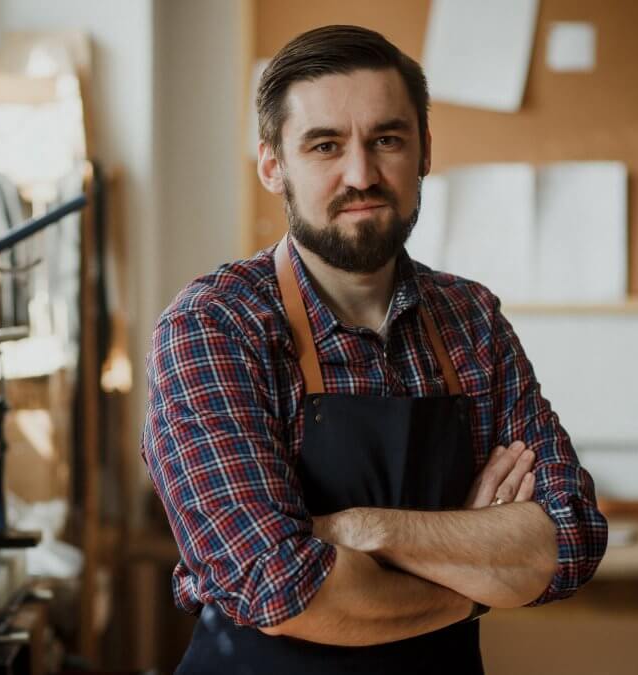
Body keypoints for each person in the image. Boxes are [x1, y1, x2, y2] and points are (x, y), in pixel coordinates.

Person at [141, 24, 608, 674]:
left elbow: (569, 536)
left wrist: (368, 528)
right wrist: (477, 574)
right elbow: (277, 583)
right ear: (273, 164)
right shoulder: (216, 326)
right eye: (325, 145)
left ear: (423, 153)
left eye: (386, 139)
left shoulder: (470, 321)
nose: (361, 174)